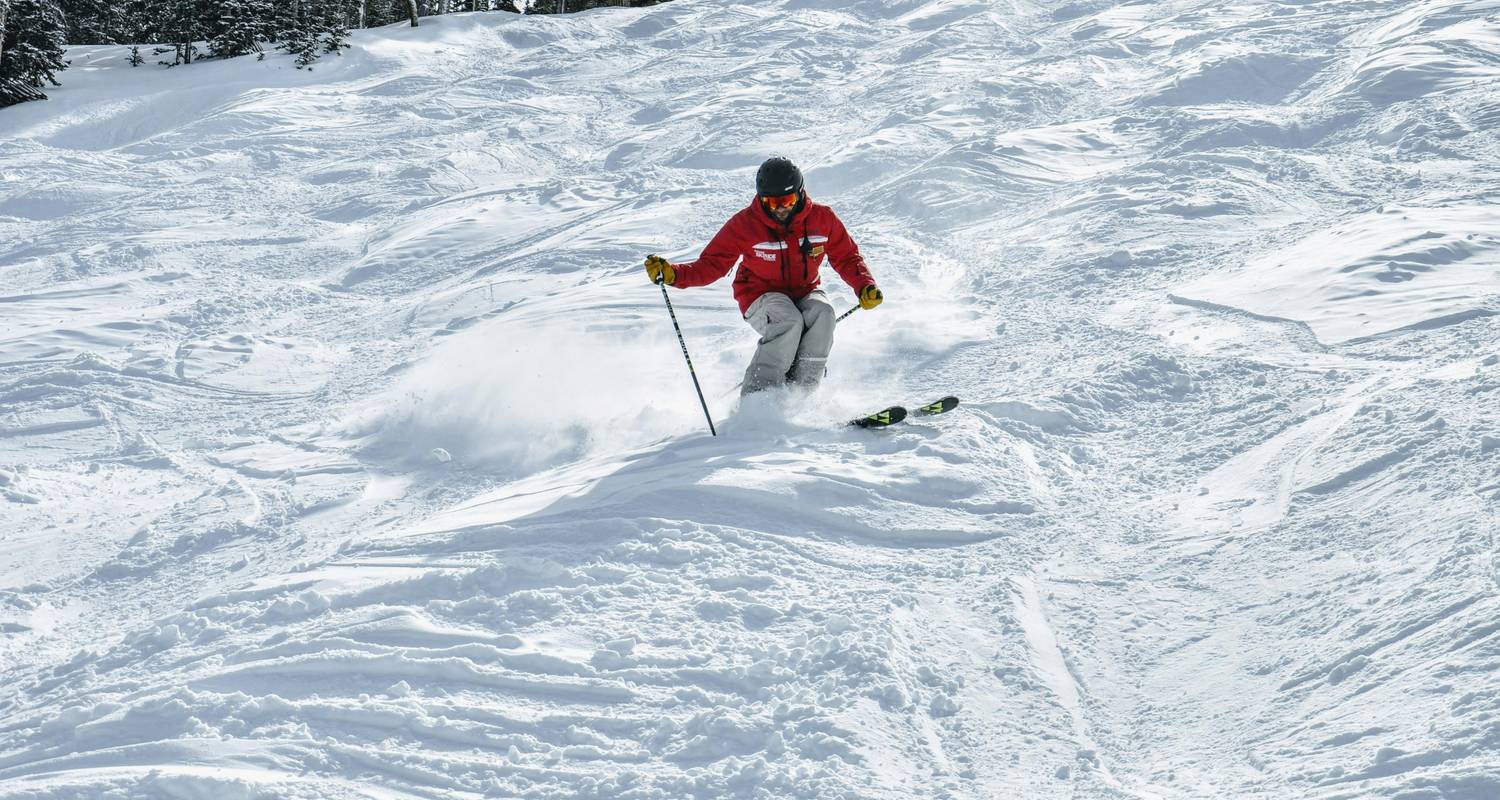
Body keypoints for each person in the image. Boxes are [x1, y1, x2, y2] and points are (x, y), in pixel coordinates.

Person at [644, 157, 883, 396]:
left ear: (800, 195)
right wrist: (673, 274)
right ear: (761, 198)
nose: (779, 208)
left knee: (824, 314)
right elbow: (711, 264)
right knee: (788, 321)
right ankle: (758, 396)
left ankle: (802, 393)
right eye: (771, 202)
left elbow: (847, 257)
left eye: (787, 201)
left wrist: (865, 285)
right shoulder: (745, 224)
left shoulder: (823, 219)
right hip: (759, 295)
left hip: (805, 291)